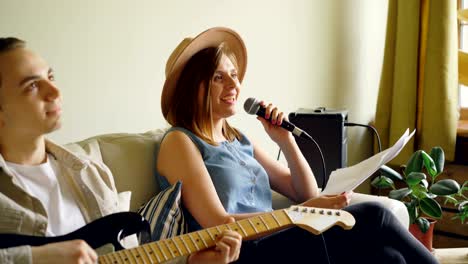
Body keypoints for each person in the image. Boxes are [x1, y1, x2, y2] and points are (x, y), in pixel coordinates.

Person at [155, 27, 439, 263]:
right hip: (245, 252)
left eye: (233, 73)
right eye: (218, 77)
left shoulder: (237, 138)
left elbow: (304, 192)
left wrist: (285, 140)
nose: (234, 83)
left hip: (280, 240)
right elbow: (218, 222)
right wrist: (302, 213)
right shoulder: (180, 141)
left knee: (388, 258)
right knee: (376, 215)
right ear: (194, 89)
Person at [0, 37, 241, 264]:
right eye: (31, 85)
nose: (55, 92)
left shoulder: (91, 173)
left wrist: (192, 260)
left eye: (50, 77)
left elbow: (132, 255)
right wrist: (37, 258)